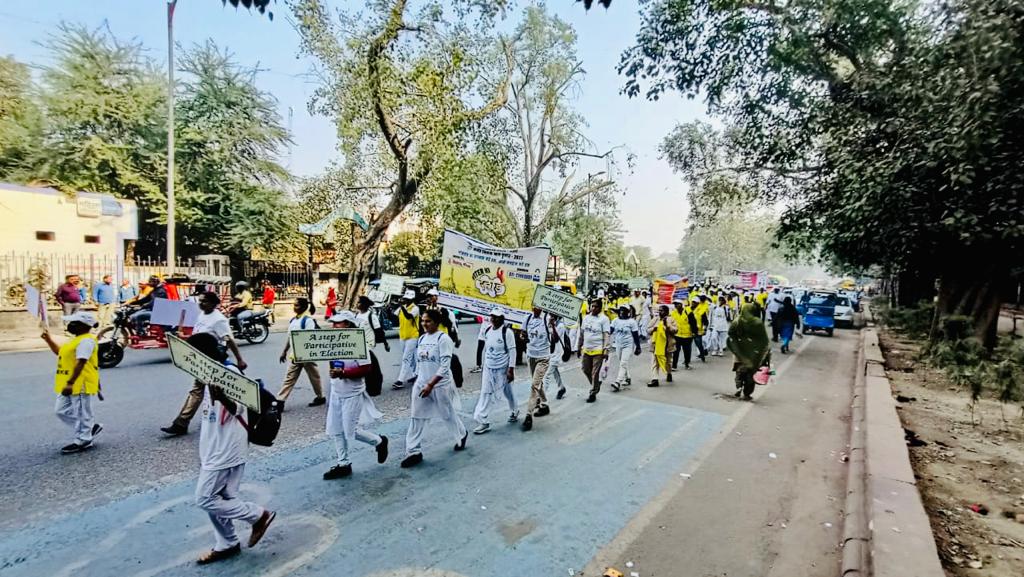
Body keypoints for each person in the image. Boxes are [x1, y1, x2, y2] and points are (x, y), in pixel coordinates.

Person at [186, 332, 275, 565]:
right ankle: (227, 543)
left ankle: (258, 515)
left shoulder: (230, 373)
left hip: (227, 448)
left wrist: (223, 397)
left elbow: (237, 409)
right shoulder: (208, 373)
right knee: (222, 497)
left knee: (205, 498)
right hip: (214, 445)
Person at [161, 292, 248, 436]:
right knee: (202, 390)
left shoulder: (218, 320)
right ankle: (188, 422)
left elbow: (229, 340)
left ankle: (183, 422)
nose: (201, 304)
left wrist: (240, 359)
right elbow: (199, 337)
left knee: (202, 390)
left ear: (213, 304)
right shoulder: (202, 315)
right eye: (200, 301)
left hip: (212, 359)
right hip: (200, 358)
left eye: (205, 301)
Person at [323, 311, 388, 479]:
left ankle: (379, 441)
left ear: (348, 325)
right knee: (336, 429)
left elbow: (366, 368)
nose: (334, 326)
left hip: (352, 394)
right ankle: (343, 463)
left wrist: (343, 373)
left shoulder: (360, 344)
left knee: (351, 431)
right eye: (334, 323)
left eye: (338, 323)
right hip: (336, 392)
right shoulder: (333, 343)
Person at [401, 309, 469, 467]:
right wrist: (420, 380)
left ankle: (462, 434)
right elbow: (420, 362)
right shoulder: (422, 338)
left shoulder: (443, 339)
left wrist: (431, 384)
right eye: (423, 321)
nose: (424, 324)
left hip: (439, 385)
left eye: (428, 321)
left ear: (436, 322)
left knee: (447, 414)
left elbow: (445, 366)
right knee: (416, 417)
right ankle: (413, 451)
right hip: (422, 384)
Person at [41, 311, 103, 454]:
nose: (70, 325)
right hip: (67, 382)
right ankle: (88, 428)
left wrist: (71, 383)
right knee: (60, 411)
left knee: (82, 413)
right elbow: (60, 352)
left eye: (74, 323)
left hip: (79, 383)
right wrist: (48, 339)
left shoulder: (86, 341)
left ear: (83, 326)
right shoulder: (76, 340)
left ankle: (84, 439)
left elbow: (81, 362)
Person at [473, 309, 517, 434]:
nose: (493, 319)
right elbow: (486, 349)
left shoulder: (507, 332)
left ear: (502, 318)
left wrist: (511, 369)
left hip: (502, 368)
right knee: (486, 392)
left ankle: (514, 410)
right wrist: (484, 364)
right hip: (489, 367)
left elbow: (512, 351)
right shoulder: (487, 330)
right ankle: (483, 420)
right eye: (492, 316)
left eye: (497, 317)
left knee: (507, 391)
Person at [275, 298, 326, 407]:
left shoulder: (308, 321)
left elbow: (309, 338)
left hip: (306, 355)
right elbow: (290, 337)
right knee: (289, 378)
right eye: (294, 305)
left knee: (314, 377)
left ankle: (320, 396)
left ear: (303, 307)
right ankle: (280, 400)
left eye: (297, 305)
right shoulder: (294, 320)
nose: (294, 307)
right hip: (295, 355)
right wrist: (284, 351)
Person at [728, 304, 772, 401]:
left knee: (739, 372)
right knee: (750, 374)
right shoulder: (757, 323)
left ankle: (739, 388)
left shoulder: (737, 321)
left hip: (740, 352)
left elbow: (731, 334)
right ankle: (747, 393)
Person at [521, 306, 551, 432]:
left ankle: (529, 414)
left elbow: (554, 338)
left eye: (538, 306)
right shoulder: (527, 318)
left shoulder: (547, 319)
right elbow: (523, 334)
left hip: (543, 357)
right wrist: (524, 337)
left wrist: (553, 327)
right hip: (531, 356)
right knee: (538, 383)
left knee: (534, 385)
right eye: (534, 305)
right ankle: (544, 404)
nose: (535, 308)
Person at [577, 298, 611, 403]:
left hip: (598, 350)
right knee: (585, 369)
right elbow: (582, 333)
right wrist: (579, 346)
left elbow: (606, 335)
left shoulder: (604, 319)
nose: (593, 308)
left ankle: (593, 392)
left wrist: (606, 349)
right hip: (587, 349)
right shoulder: (586, 318)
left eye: (596, 306)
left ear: (600, 308)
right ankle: (596, 384)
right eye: (592, 306)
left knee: (594, 372)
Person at [609, 305, 642, 392]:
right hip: (618, 344)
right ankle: (627, 377)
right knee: (622, 361)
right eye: (620, 310)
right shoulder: (615, 321)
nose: (621, 312)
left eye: (624, 310)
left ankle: (618, 381)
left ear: (628, 312)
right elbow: (609, 331)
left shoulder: (632, 322)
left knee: (623, 363)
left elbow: (635, 336)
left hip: (628, 345)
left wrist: (638, 347)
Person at [394, 290, 421, 389]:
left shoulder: (415, 308)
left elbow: (409, 316)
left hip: (413, 336)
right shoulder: (402, 308)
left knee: (406, 358)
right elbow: (394, 315)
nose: (407, 300)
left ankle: (400, 380)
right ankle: (416, 374)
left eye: (408, 299)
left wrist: (401, 307)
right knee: (412, 358)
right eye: (406, 299)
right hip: (403, 336)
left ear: (412, 299)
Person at [647, 305, 677, 387]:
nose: (660, 312)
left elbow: (675, 330)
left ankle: (669, 373)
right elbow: (648, 330)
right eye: (659, 310)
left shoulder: (671, 320)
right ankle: (655, 379)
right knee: (654, 363)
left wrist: (667, 326)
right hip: (655, 345)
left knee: (668, 362)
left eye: (662, 311)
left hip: (667, 346)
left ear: (667, 312)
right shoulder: (655, 319)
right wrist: (654, 329)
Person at [543, 313, 569, 401]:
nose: (550, 317)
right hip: (552, 352)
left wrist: (553, 326)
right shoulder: (550, 323)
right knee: (555, 372)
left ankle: (542, 397)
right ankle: (561, 388)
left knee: (546, 375)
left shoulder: (561, 325)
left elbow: (556, 338)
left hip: (558, 353)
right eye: (550, 315)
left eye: (552, 316)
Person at [670, 299, 698, 370]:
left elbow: (693, 323)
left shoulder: (688, 312)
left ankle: (687, 364)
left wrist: (694, 332)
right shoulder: (673, 313)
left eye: (677, 304)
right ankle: (674, 365)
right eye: (675, 304)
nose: (676, 305)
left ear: (681, 304)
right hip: (677, 335)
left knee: (687, 351)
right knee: (676, 351)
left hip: (687, 335)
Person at [693, 295, 710, 362]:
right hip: (690, 330)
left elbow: (705, 321)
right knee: (694, 344)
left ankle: (702, 355)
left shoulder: (702, 310)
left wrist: (705, 329)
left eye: (694, 302)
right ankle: (702, 351)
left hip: (698, 330)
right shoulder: (689, 309)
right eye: (692, 302)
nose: (693, 303)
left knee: (699, 343)